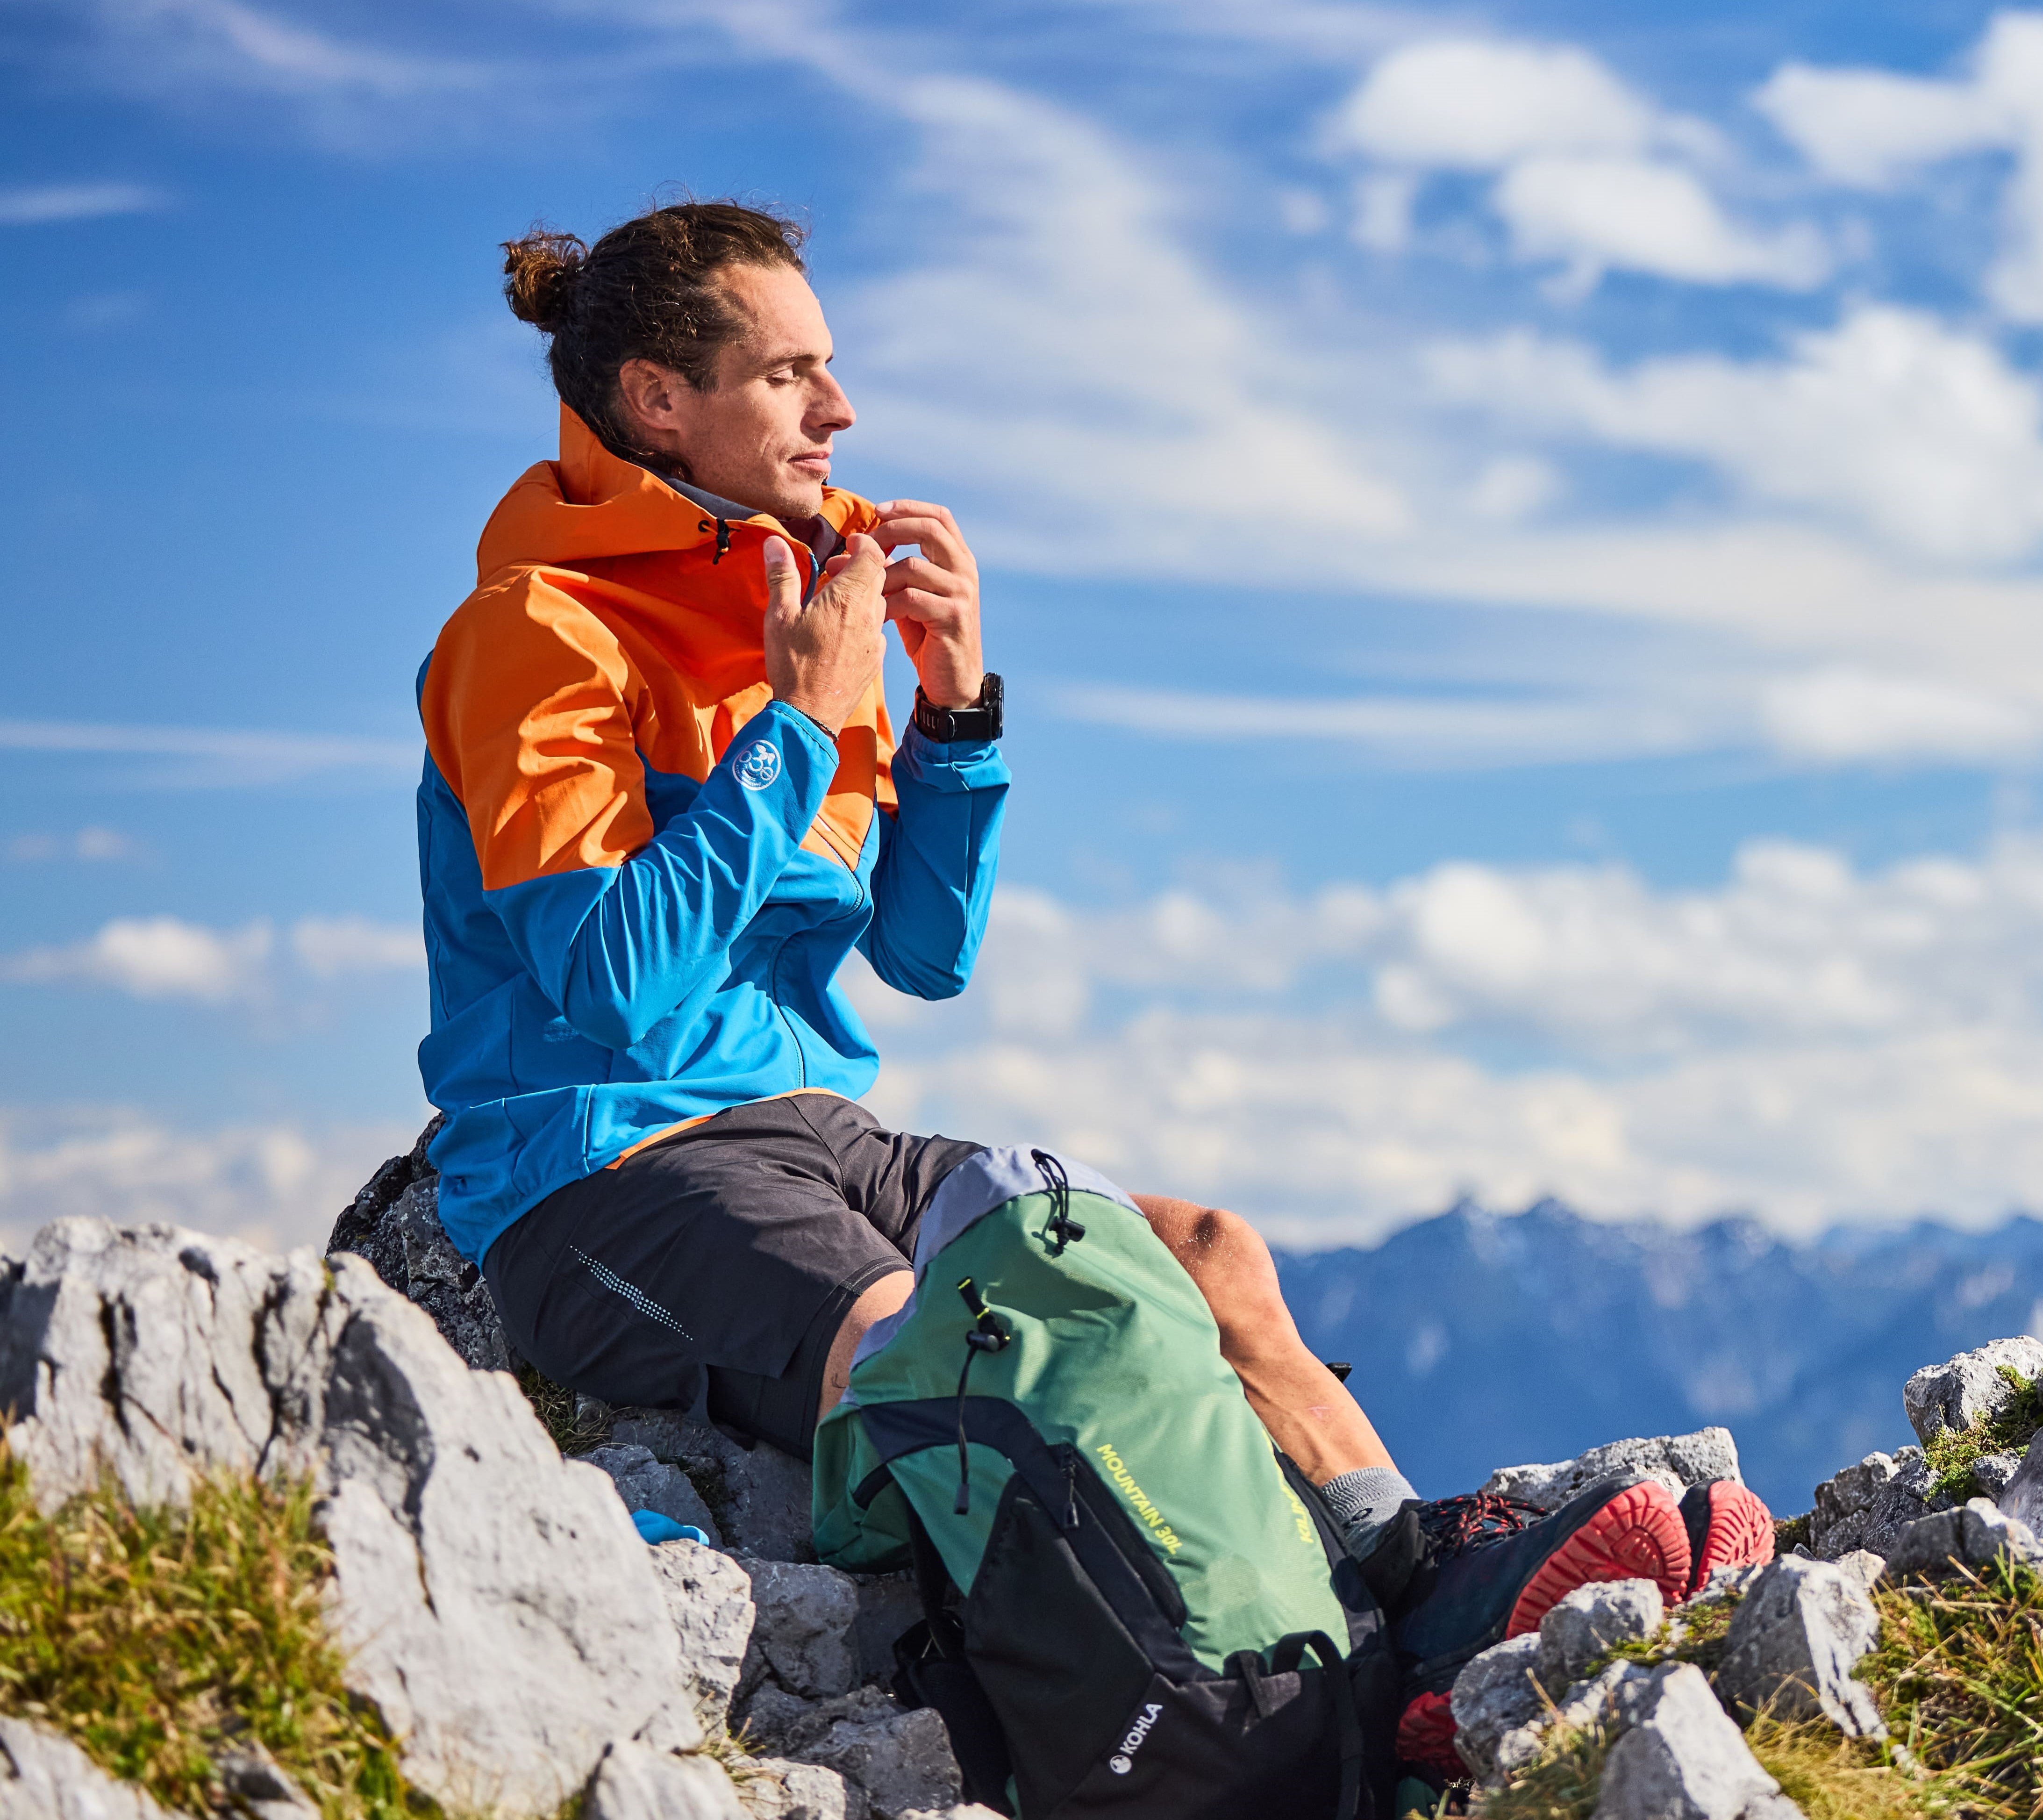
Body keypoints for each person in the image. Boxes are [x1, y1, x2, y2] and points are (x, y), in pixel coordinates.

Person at [411, 196, 1705, 1606]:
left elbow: (924, 953)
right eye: (789, 374)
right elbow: (609, 982)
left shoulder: (807, 603)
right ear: (659, 399)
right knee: (956, 1342)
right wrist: (798, 724)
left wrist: (953, 712)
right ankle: (1267, 1673)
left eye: (827, 366)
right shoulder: (535, 633)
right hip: (601, 1174)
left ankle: (1418, 1579)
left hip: (813, 1132)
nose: (839, 409)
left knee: (1205, 1257)